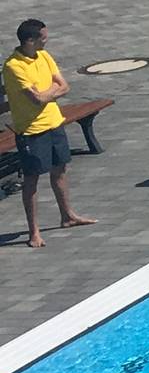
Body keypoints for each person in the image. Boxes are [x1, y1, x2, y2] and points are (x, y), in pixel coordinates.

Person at [8, 19, 93, 248]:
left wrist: (48, 93)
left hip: (54, 123)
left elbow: (65, 86)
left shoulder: (44, 56)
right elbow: (36, 100)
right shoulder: (14, 66)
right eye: (43, 38)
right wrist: (51, 92)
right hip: (32, 130)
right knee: (32, 180)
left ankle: (67, 216)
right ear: (30, 40)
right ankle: (33, 232)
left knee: (60, 170)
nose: (47, 41)